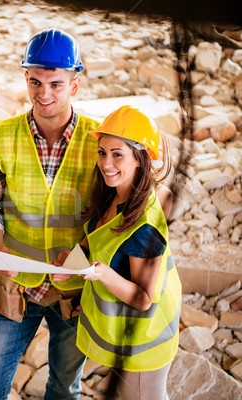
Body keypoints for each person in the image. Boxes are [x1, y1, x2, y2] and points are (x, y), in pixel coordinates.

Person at [0, 28, 99, 400]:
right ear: (26, 77)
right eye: (36, 82)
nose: (44, 94)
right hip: (15, 284)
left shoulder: (98, 142)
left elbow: (108, 217)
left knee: (63, 389)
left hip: (74, 290)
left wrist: (81, 258)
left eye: (56, 84)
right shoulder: (1, 136)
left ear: (74, 84)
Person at [71, 105, 181, 399]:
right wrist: (74, 258)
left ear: (140, 158)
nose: (106, 163)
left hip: (145, 342)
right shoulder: (113, 190)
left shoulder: (144, 226)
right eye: (102, 152)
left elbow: (144, 299)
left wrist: (103, 274)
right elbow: (100, 236)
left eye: (117, 154)